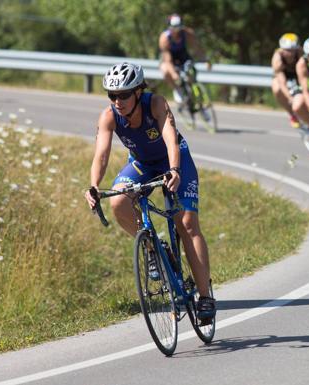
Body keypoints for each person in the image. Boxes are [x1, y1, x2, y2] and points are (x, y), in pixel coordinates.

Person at [84, 62, 216, 321]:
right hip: (142, 163)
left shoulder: (155, 104)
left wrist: (175, 170)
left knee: (187, 223)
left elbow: (170, 139)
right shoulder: (109, 116)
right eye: (112, 95)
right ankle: (155, 249)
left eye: (123, 95)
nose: (117, 101)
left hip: (175, 160)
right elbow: (101, 154)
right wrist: (94, 186)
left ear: (137, 91)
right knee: (118, 202)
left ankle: (205, 297)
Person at [158, 13, 210, 104]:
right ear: (170, 27)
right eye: (174, 28)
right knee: (166, 71)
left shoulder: (187, 33)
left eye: (179, 27)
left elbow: (196, 48)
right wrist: (174, 74)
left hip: (182, 55)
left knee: (190, 72)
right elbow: (167, 60)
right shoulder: (164, 39)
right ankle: (177, 90)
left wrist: (205, 59)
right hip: (169, 58)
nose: (176, 31)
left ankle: (194, 96)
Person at [271, 33, 303, 129]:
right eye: (287, 50)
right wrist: (290, 99)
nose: (290, 54)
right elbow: (282, 83)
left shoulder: (300, 53)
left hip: (298, 73)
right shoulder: (277, 59)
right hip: (284, 75)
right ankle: (292, 114)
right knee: (276, 88)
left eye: (292, 51)